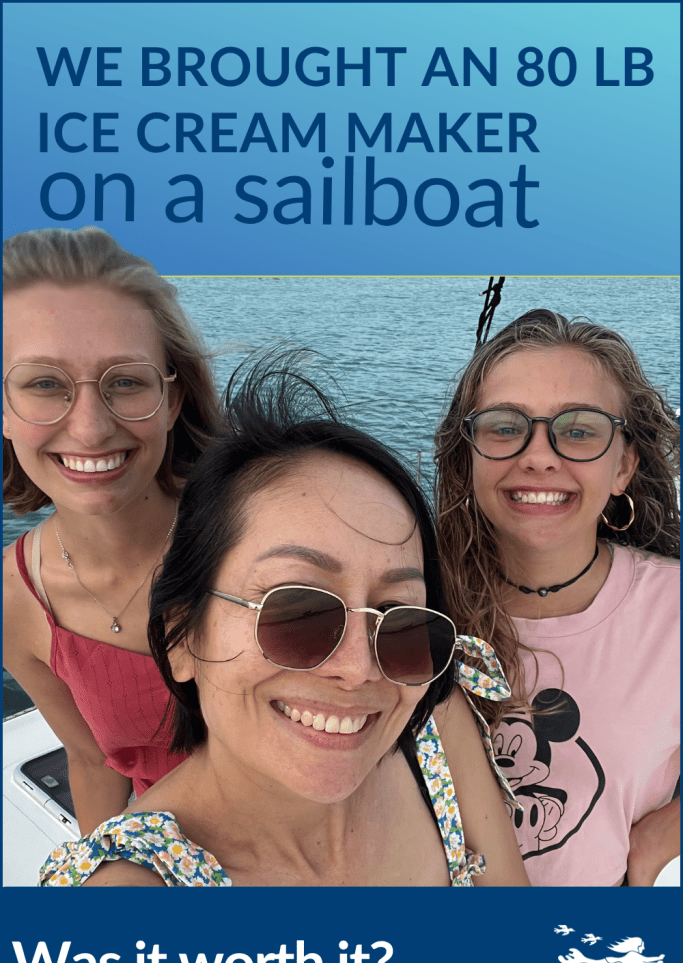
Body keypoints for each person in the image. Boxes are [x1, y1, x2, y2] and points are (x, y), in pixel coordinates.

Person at [40, 356, 529, 886]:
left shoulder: (433, 723)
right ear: (182, 637)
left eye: (400, 622)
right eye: (296, 612)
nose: (360, 669)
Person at [435, 309, 680, 886]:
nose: (539, 455)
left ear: (624, 464)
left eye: (578, 429)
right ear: (467, 453)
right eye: (504, 426)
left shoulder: (672, 610)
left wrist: (667, 834)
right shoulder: (412, 609)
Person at [3, 226, 220, 835]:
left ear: (172, 399)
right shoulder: (18, 599)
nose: (92, 429)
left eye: (125, 380)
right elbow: (94, 762)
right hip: (177, 859)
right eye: (45, 383)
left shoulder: (253, 524)